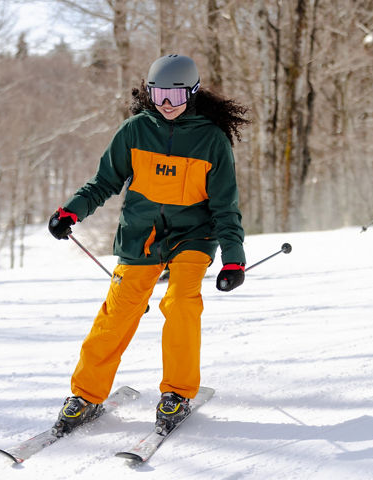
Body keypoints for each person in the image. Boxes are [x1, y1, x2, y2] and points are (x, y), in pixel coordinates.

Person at [46, 54, 250, 435]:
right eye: (159, 95)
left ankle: (176, 393)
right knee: (119, 311)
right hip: (141, 235)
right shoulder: (135, 131)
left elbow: (225, 207)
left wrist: (233, 260)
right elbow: (104, 181)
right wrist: (71, 212)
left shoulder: (211, 140)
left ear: (191, 93)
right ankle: (86, 395)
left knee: (181, 301)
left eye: (175, 95)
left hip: (193, 236)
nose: (166, 104)